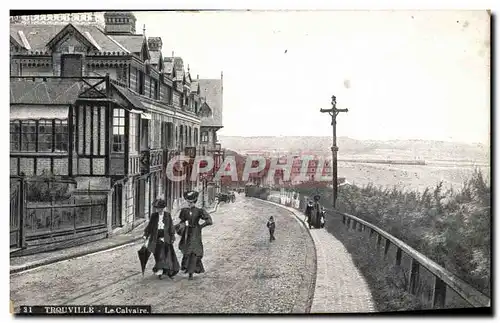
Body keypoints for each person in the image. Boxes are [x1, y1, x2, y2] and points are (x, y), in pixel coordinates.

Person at [175, 191, 214, 280]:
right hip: (187, 232)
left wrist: (200, 226)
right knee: (187, 250)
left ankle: (191, 272)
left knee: (194, 251)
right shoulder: (184, 211)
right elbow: (182, 221)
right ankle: (187, 269)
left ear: (195, 202)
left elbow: (209, 221)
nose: (189, 204)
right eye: (188, 202)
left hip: (196, 233)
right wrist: (181, 226)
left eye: (191, 202)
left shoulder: (199, 211)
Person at [143, 199, 180, 280]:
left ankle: (169, 272)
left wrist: (172, 236)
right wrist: (146, 235)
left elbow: (171, 226)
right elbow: (150, 226)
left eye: (160, 208)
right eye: (157, 208)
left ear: (163, 208)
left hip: (166, 237)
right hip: (156, 238)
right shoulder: (154, 216)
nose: (158, 210)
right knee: (158, 255)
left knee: (168, 255)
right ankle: (160, 272)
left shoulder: (167, 215)